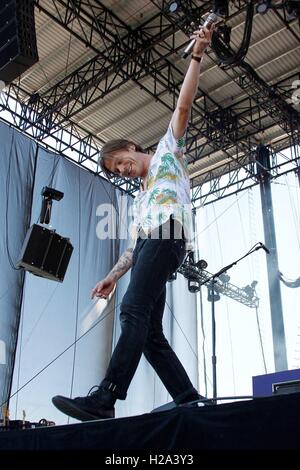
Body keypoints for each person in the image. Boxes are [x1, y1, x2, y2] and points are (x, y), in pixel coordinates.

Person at [52, 24, 214, 421]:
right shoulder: (140, 198)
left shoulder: (165, 153)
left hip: (170, 234)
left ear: (131, 147)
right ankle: (189, 398)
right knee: (150, 334)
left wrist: (196, 56)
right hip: (150, 242)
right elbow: (135, 246)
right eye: (117, 171)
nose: (123, 170)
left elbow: (182, 107)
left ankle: (105, 399)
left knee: (132, 310)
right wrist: (111, 275)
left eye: (121, 162)